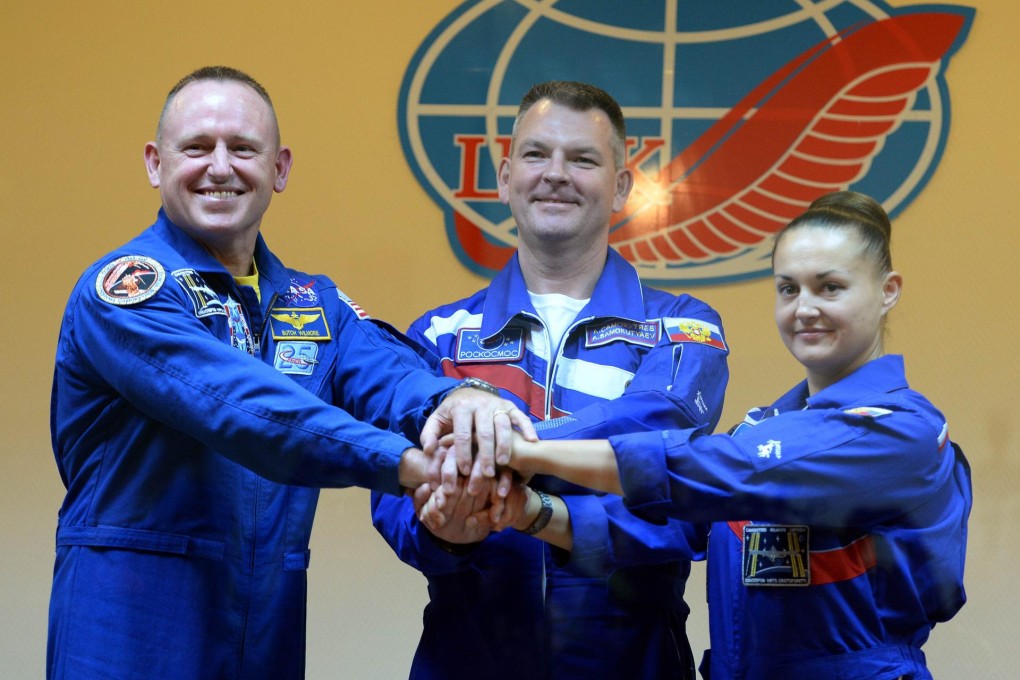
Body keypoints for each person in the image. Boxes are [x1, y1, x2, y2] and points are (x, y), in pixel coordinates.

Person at [47, 66, 534, 680]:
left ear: (279, 169)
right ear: (154, 164)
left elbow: (390, 374)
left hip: (264, 626)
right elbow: (242, 408)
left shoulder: (313, 303)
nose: (220, 167)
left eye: (243, 148)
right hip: (127, 627)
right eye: (196, 147)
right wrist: (408, 463)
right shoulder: (124, 293)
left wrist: (457, 401)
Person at [492, 191, 972, 679]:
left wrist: (527, 450)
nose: (804, 308)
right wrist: (531, 512)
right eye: (789, 289)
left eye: (830, 288)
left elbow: (724, 470)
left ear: (888, 290)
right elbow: (671, 527)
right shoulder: (763, 429)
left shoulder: (900, 428)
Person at [372, 81, 730, 679]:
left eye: (583, 159)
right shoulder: (437, 335)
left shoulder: (681, 325)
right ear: (506, 175)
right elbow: (396, 488)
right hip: (466, 659)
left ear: (620, 186)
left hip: (634, 661)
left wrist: (503, 448)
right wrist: (444, 529)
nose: (556, 174)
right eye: (537, 155)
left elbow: (660, 442)